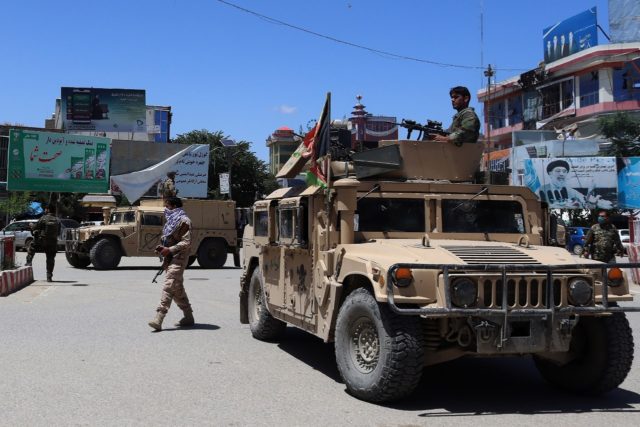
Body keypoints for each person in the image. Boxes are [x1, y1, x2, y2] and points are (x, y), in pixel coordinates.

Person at [148, 197, 194, 331]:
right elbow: (168, 240)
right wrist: (162, 249)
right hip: (170, 258)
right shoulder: (171, 222)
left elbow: (187, 242)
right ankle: (188, 316)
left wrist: (170, 250)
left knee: (169, 285)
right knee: (176, 288)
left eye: (167, 206)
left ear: (174, 207)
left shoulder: (184, 221)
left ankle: (159, 317)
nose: (165, 209)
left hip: (180, 257)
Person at [538, 159, 613, 209]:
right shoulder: (540, 190)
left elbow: (585, 202)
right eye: (558, 171)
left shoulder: (571, 191)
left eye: (564, 171)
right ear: (550, 173)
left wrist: (593, 201)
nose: (561, 174)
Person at [25, 205, 61, 282]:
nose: (44, 210)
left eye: (45, 209)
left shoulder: (43, 218)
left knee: (31, 249)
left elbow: (35, 227)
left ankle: (28, 264)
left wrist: (31, 225)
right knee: (50, 259)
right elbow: (58, 233)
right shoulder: (57, 220)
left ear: (48, 210)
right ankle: (49, 276)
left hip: (41, 241)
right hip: (53, 242)